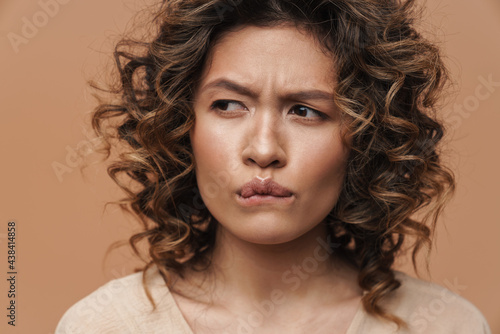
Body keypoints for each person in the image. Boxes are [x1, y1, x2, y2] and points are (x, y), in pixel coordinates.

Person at [55, 0, 492, 333]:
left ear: (365, 138)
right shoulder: (104, 324)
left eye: (305, 111)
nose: (263, 150)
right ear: (181, 125)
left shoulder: (446, 325)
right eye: (228, 105)